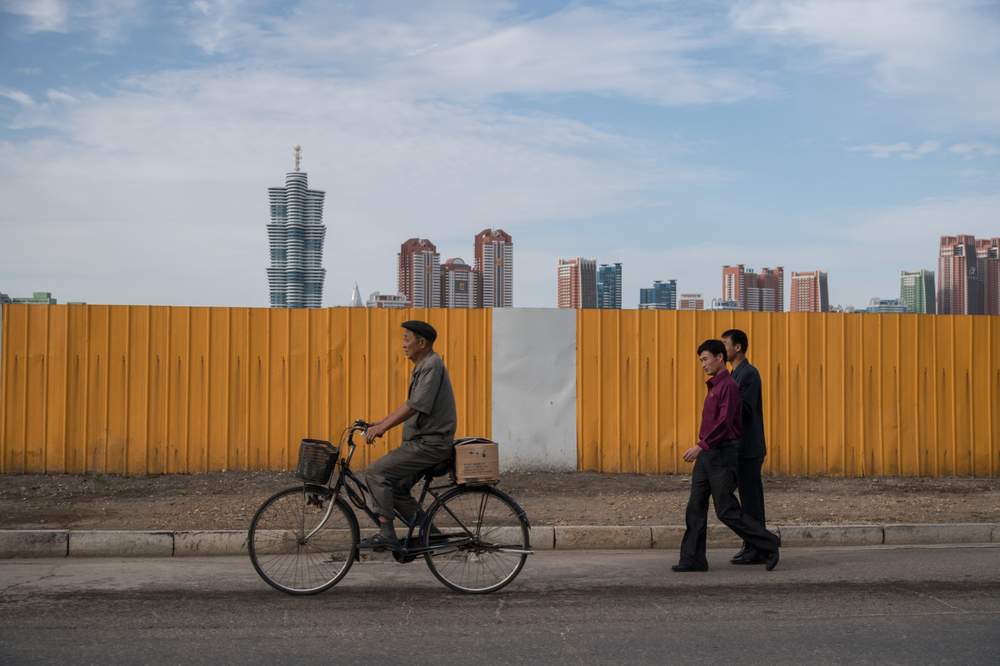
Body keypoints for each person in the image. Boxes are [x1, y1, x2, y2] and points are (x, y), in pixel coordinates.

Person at [673, 339, 780, 573]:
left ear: (719, 358)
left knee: (726, 510)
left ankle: (769, 543)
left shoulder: (729, 387)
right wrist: (703, 449)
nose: (703, 364)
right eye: (701, 360)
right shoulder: (715, 386)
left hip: (721, 455)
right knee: (695, 507)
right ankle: (693, 559)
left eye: (705, 359)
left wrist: (701, 446)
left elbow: (724, 423)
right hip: (707, 455)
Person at [359, 320, 457, 552]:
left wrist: (383, 428)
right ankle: (431, 535)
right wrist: (380, 423)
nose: (403, 344)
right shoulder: (425, 365)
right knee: (396, 488)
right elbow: (409, 404)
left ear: (421, 343)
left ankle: (386, 533)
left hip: (430, 445)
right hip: (423, 443)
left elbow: (415, 406)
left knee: (375, 472)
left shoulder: (432, 365)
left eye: (406, 339)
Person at [721, 328, 770, 565]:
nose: (722, 349)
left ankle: (759, 549)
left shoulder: (748, 374)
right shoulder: (735, 374)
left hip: (749, 448)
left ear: (737, 347)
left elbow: (745, 410)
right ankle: (752, 545)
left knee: (751, 501)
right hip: (741, 448)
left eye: (725, 344)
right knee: (747, 499)